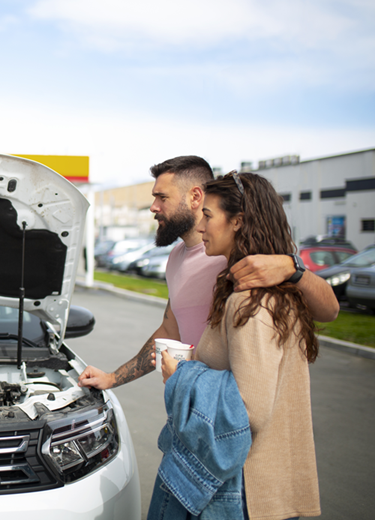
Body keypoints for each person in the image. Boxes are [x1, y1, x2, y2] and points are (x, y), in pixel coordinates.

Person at [79, 156, 338, 390]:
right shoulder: (176, 257)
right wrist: (113, 378)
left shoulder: (238, 258)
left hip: (230, 414)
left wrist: (292, 268)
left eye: (162, 197)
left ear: (195, 197)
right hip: (193, 408)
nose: (153, 207)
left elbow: (329, 312)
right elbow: (170, 329)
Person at [159, 171, 320, 519]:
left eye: (208, 216)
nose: (202, 227)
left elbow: (249, 410)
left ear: (238, 222)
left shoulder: (249, 302)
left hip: (245, 489)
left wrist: (182, 377)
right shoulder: (265, 290)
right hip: (260, 484)